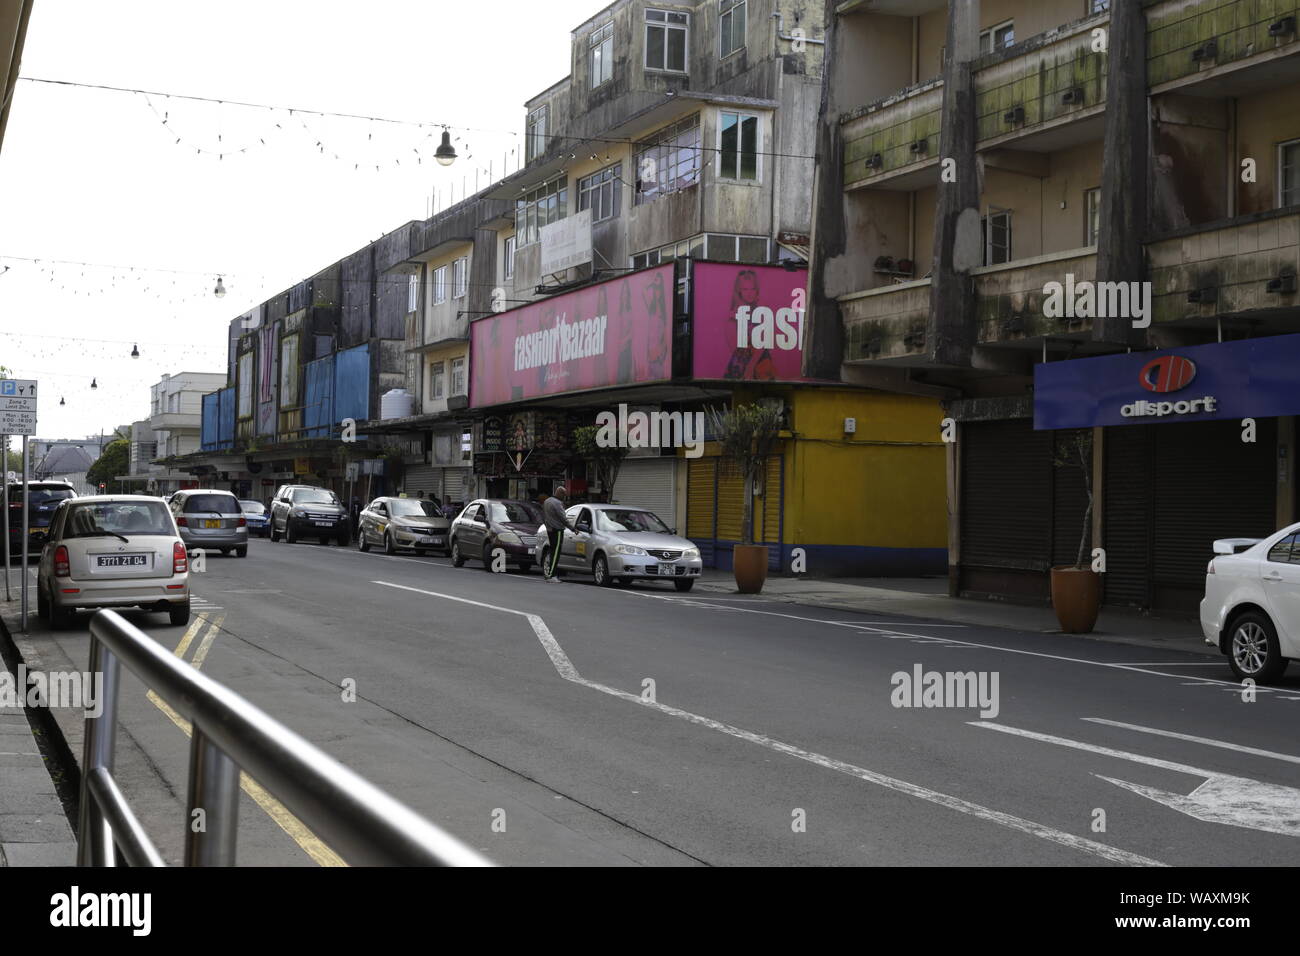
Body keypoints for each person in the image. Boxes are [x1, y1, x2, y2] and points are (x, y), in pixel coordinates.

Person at [542, 485, 574, 583]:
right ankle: (552, 575)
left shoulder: (547, 501)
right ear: (560, 493)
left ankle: (549, 574)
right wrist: (572, 528)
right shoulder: (558, 503)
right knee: (556, 552)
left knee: (552, 551)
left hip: (550, 529)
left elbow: (545, 516)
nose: (564, 497)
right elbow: (563, 518)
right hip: (558, 530)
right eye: (564, 495)